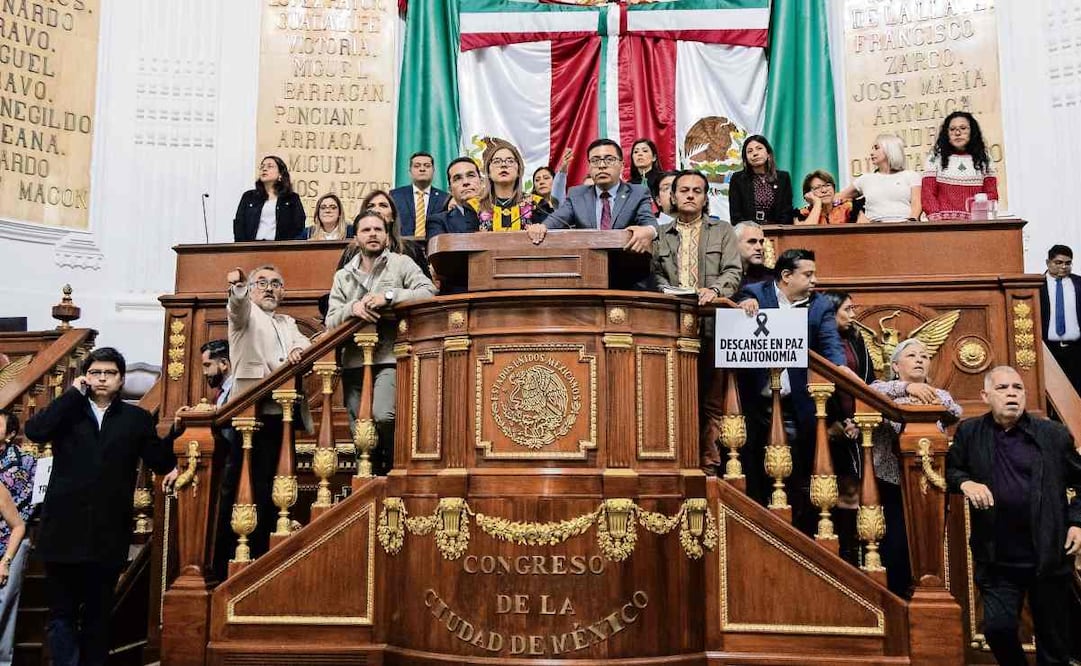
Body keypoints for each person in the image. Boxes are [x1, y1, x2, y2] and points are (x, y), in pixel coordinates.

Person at [24, 347, 180, 666]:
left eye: (109, 373)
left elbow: (159, 459)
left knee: (97, 619)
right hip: (62, 533)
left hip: (107, 533)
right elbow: (35, 430)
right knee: (61, 616)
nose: (102, 379)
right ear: (85, 376)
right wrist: (72, 396)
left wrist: (177, 432)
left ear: (121, 379)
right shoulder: (69, 412)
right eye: (95, 372)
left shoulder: (135, 418)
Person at [947, 366, 1081, 666]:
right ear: (985, 396)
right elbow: (953, 471)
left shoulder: (1053, 434)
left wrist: (1077, 523)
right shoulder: (969, 432)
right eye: (1003, 388)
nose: (1012, 394)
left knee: (1054, 646)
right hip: (997, 559)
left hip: (1048, 556)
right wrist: (966, 483)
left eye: (1017, 388)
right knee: (998, 628)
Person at [734, 249, 846, 532]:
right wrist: (744, 302)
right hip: (754, 404)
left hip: (795, 406)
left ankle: (793, 532)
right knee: (754, 470)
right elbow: (736, 300)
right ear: (786, 276)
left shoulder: (820, 306)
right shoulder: (755, 292)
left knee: (795, 474)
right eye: (808, 275)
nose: (814, 280)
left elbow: (831, 344)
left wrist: (841, 368)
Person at [326, 211, 437, 475]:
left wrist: (389, 296)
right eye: (366, 230)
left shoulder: (401, 263)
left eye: (378, 229)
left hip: (389, 356)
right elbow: (331, 320)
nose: (372, 234)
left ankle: (391, 465)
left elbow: (428, 291)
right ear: (356, 238)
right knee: (359, 429)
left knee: (384, 415)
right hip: (354, 361)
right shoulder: (343, 275)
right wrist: (352, 307)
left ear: (387, 236)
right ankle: (369, 479)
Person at [652, 170, 742, 474]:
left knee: (711, 400)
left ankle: (708, 464)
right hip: (670, 329)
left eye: (697, 191)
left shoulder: (723, 231)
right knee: (671, 398)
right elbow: (654, 275)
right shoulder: (660, 234)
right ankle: (676, 461)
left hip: (714, 326)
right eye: (684, 190)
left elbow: (733, 271)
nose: (690, 195)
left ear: (706, 198)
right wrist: (666, 291)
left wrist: (714, 290)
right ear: (672, 196)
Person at [226, 265, 311, 560]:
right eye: (261, 283)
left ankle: (266, 552)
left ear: (284, 291)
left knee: (275, 485)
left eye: (276, 283)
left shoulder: (288, 322)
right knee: (247, 485)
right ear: (250, 289)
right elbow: (236, 307)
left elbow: (305, 344)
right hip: (251, 410)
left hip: (281, 413)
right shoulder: (245, 314)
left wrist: (298, 351)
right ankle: (240, 554)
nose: (269, 288)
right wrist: (237, 287)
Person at [870, 338, 962, 596]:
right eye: (912, 355)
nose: (920, 359)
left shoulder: (940, 394)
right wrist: (907, 388)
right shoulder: (882, 387)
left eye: (924, 356)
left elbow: (953, 410)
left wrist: (919, 393)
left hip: (929, 481)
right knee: (895, 545)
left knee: (927, 545)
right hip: (891, 482)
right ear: (896, 366)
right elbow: (869, 392)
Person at [819, 291, 875, 565]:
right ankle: (841, 555)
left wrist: (859, 419)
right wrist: (835, 423)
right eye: (848, 310)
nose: (854, 316)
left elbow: (869, 381)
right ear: (831, 313)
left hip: (858, 425)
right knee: (836, 489)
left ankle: (856, 553)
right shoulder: (818, 342)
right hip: (828, 425)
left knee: (856, 489)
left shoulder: (857, 340)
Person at [529, 138, 658, 254]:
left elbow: (650, 223)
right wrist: (541, 227)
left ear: (622, 165)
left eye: (609, 160)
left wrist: (649, 231)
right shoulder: (577, 195)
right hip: (588, 269)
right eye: (595, 161)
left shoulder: (637, 193)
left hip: (629, 270)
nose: (602, 166)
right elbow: (556, 219)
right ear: (589, 167)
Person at [0, 408, 33, 666]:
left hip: (11, 537)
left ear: (10, 434)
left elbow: (20, 516)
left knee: (4, 608)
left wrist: (6, 559)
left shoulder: (21, 464)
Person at [922, 111, 998, 220]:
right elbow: (928, 194)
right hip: (944, 226)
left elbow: (992, 194)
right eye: (952, 129)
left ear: (972, 131)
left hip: (976, 226)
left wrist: (976, 208)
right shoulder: (935, 158)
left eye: (963, 128)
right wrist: (937, 222)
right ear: (946, 134)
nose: (957, 133)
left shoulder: (984, 159)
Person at [837, 134, 922, 222]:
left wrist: (912, 221)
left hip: (905, 226)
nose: (872, 153)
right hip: (873, 228)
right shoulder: (865, 179)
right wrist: (858, 213)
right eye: (872, 148)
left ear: (890, 149)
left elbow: (917, 203)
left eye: (876, 148)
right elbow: (838, 198)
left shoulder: (911, 175)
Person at [476, 139, 551, 230]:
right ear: (488, 172)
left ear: (519, 170)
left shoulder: (537, 204)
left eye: (510, 161)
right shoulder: (474, 206)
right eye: (497, 161)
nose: (503, 165)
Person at [1038, 244, 1081, 394]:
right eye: (1058, 262)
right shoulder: (1036, 285)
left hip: (1076, 349)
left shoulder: (1078, 283)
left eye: (1068, 263)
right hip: (1048, 350)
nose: (1064, 267)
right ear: (1048, 263)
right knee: (1052, 391)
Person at [233, 155, 306, 242]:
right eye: (262, 166)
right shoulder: (249, 197)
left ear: (280, 174)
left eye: (270, 166)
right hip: (252, 248)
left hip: (279, 249)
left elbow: (298, 225)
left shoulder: (291, 198)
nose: (264, 169)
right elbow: (239, 224)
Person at [728, 135, 794, 225]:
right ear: (746, 159)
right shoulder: (738, 179)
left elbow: (787, 213)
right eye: (750, 151)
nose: (755, 153)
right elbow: (736, 216)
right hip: (748, 233)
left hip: (778, 232)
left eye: (759, 148)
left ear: (768, 154)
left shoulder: (783, 178)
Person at [390, 152, 450, 238]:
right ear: (410, 171)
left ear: (433, 170)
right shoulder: (395, 196)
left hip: (435, 248)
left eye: (427, 166)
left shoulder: (445, 198)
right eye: (417, 166)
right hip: (402, 248)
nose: (422, 169)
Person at [426, 157, 486, 239]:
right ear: (450, 190)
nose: (465, 182)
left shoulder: (500, 213)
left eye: (471, 175)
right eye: (457, 178)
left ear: (482, 181)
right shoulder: (438, 222)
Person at [733, 222, 772, 288]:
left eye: (761, 242)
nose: (759, 247)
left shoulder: (771, 277)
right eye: (752, 242)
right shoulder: (723, 276)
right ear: (735, 243)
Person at [200, 339, 233, 407]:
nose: (205, 372)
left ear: (224, 364)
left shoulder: (237, 390)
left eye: (208, 365)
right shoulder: (220, 393)